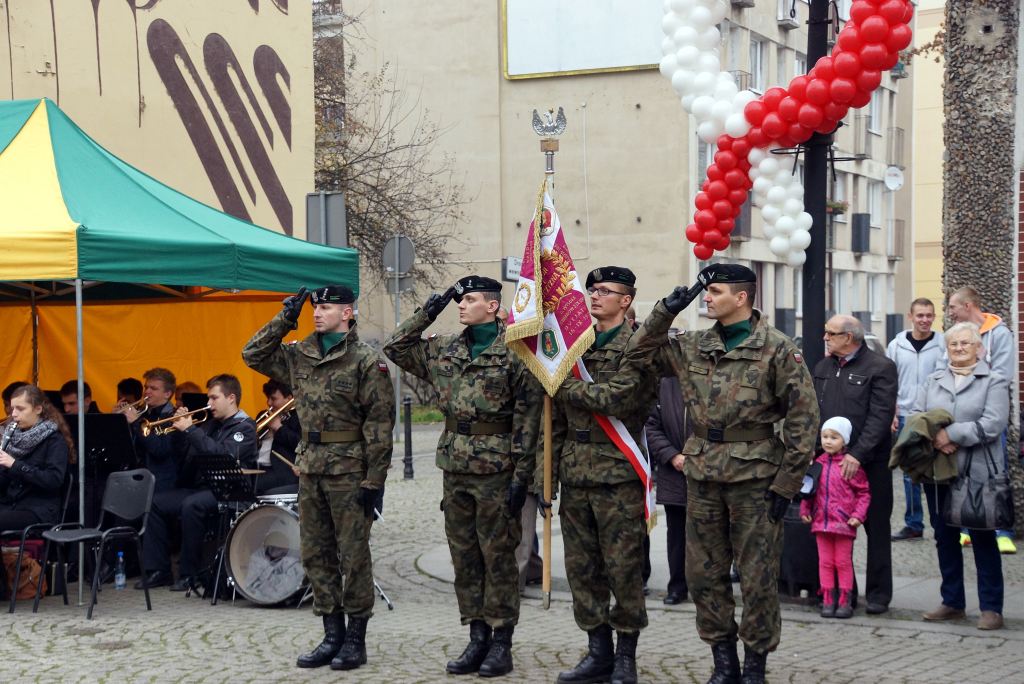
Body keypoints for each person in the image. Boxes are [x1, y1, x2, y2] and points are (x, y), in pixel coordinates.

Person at [557, 263, 819, 684]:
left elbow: (804, 419)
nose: (707, 298)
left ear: (742, 297)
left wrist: (788, 482)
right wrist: (666, 311)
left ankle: (754, 667)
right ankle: (723, 664)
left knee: (757, 579)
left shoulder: (776, 348)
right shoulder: (693, 345)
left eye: (714, 291)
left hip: (755, 479)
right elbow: (637, 352)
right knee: (704, 577)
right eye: (705, 292)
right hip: (703, 475)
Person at [384, 275, 539, 678]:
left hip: (497, 470)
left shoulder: (515, 350)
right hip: (454, 468)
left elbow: (528, 419)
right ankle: (476, 636)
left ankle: (501, 640)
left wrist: (523, 477)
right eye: (460, 300)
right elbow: (395, 346)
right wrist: (428, 310)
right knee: (464, 557)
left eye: (469, 299)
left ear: (491, 306)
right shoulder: (444, 349)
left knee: (498, 558)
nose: (461, 305)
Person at [244, 285, 394, 672]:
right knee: (315, 553)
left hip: (349, 470)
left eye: (326, 307)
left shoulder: (364, 360)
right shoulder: (301, 355)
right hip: (310, 468)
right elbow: (253, 353)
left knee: (353, 556)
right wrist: (285, 317)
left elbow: (379, 425)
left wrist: (374, 482)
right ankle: (331, 634)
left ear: (347, 313)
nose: (317, 313)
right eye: (315, 307)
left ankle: (356, 639)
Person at [545, 266, 654, 684]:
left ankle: (626, 655)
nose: (594, 296)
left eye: (605, 291)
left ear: (625, 300)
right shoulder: (574, 348)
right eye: (591, 289)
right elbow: (555, 426)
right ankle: (598, 652)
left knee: (623, 569)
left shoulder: (637, 347)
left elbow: (618, 401)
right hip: (576, 475)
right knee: (582, 570)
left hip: (618, 477)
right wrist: (547, 479)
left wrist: (562, 386)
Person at [912, 322, 1008, 630]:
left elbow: (993, 422)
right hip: (938, 470)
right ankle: (952, 601)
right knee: (944, 536)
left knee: (982, 536)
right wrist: (935, 437)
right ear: (947, 348)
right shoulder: (933, 380)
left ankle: (991, 607)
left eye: (966, 343)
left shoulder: (994, 381)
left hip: (978, 469)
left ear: (979, 348)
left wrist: (951, 435)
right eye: (954, 344)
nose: (960, 348)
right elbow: (917, 415)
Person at [136, 374, 257, 592]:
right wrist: (181, 432)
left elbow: (223, 455)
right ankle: (159, 570)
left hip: (229, 490)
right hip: (202, 486)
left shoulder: (245, 427)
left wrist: (191, 430)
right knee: (156, 502)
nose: (208, 404)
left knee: (191, 505)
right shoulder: (211, 425)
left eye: (213, 398)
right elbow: (188, 456)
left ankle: (189, 574)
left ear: (231, 398)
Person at [812, 315, 898, 615]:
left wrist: (857, 455)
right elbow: (815, 412)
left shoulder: (880, 367)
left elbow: (880, 417)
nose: (825, 337)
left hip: (869, 463)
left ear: (849, 337)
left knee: (876, 528)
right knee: (831, 531)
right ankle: (839, 593)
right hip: (830, 466)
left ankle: (878, 594)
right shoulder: (823, 367)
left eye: (831, 333)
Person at [946, 286, 1016, 555]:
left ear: (968, 306)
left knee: (994, 471)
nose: (950, 312)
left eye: (953, 306)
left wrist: (975, 374)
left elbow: (1002, 374)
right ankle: (967, 524)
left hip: (987, 413)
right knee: (961, 470)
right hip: (961, 415)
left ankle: (1001, 528)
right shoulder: (957, 335)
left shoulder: (999, 334)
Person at [800, 417, 871, 619]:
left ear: (845, 440)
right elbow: (809, 489)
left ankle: (844, 600)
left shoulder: (849, 466)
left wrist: (858, 515)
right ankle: (828, 599)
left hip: (842, 522)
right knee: (825, 562)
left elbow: (864, 492)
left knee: (842, 562)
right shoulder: (818, 465)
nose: (828, 441)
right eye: (825, 436)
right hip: (821, 522)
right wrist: (805, 508)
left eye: (834, 437)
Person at [887, 298, 945, 542]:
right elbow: (888, 381)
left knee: (938, 470)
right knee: (910, 472)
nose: (925, 320)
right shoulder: (897, 345)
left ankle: (942, 522)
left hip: (934, 416)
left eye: (929, 315)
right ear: (911, 316)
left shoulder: (943, 344)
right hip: (906, 415)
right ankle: (913, 523)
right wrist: (891, 411)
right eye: (920, 315)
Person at [0, 385, 72, 532]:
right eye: (13, 408)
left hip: (38, 509)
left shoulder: (55, 440)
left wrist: (15, 464)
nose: (13, 414)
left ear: (38, 409)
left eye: (20, 409)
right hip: (12, 503)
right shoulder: (13, 438)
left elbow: (54, 480)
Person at [646, 374, 690, 606]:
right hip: (674, 474)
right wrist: (672, 455)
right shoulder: (665, 382)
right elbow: (651, 426)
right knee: (676, 536)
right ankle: (677, 586)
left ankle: (706, 589)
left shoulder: (713, 375)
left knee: (709, 536)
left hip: (707, 473)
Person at [120, 368, 179, 493]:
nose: (147, 392)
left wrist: (136, 422)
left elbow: (160, 449)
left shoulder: (174, 417)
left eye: (153, 389)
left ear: (167, 394)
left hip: (159, 483)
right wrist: (117, 421)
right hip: (135, 478)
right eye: (146, 387)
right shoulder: (142, 413)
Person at [254, 379, 301, 495]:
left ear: (289, 399)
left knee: (253, 487)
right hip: (255, 468)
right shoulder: (263, 415)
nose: (269, 403)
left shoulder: (299, 418)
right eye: (268, 398)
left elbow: (300, 444)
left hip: (282, 472)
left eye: (273, 398)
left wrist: (279, 428)